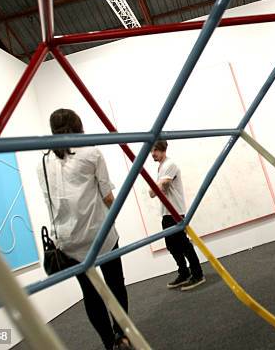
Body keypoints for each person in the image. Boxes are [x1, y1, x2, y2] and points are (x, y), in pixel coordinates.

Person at [37, 108, 132, 350]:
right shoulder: (91, 153)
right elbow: (108, 197)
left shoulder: (43, 161)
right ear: (78, 125)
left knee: (90, 294)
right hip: (101, 234)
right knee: (115, 284)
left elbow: (50, 201)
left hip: (69, 243)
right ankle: (122, 334)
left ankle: (108, 343)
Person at [149, 140, 205, 291]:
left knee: (184, 245)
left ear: (162, 149)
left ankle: (198, 274)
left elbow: (158, 189)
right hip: (167, 213)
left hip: (175, 212)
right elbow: (156, 190)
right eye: (151, 150)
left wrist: (154, 189)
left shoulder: (170, 165)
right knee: (172, 246)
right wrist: (155, 189)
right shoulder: (161, 167)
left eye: (155, 150)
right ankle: (184, 272)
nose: (152, 153)